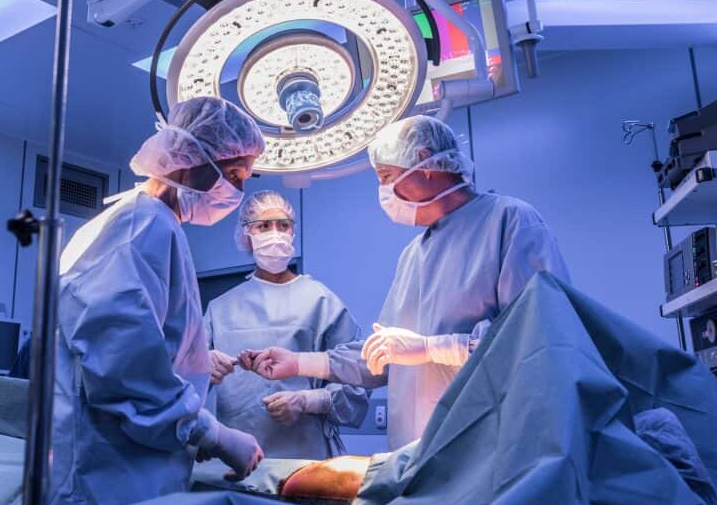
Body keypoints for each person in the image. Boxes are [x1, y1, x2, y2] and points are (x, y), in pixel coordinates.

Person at [243, 115, 569, 450]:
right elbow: (380, 357)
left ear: (425, 162)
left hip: (489, 449)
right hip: (415, 456)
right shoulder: (414, 254)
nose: (383, 192)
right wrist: (299, 363)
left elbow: (538, 339)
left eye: (386, 177)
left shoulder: (510, 222)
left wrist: (431, 349)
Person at [48, 96, 267, 505]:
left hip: (127, 474)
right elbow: (123, 366)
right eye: (234, 174)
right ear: (190, 162)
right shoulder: (140, 226)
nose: (238, 192)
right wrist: (211, 434)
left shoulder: (151, 224)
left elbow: (144, 345)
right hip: (108, 487)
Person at [203, 191, 369, 460]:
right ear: (247, 234)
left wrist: (307, 401)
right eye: (263, 226)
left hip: (305, 458)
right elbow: (182, 385)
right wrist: (203, 367)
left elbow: (355, 385)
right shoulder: (220, 309)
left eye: (283, 225)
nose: (275, 233)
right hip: (236, 459)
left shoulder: (321, 301)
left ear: (293, 232)